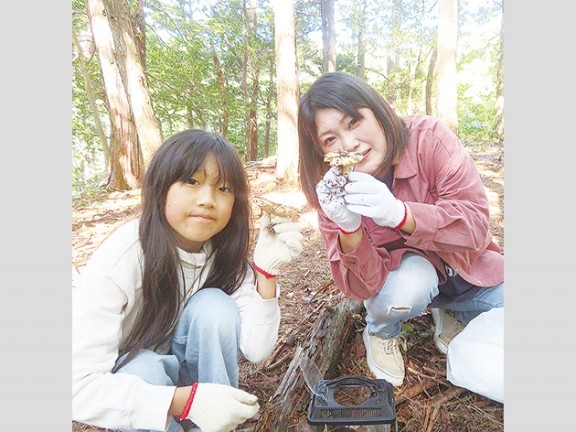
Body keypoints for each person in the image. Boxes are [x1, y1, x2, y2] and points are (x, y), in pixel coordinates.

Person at [72, 129, 304, 432]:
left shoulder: (221, 254)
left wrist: (266, 273)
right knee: (144, 368)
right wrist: (186, 401)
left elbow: (257, 349)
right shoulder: (122, 258)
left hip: (192, 377)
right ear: (160, 187)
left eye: (223, 188)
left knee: (213, 306)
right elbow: (77, 388)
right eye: (192, 181)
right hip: (135, 386)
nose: (207, 200)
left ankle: (217, 425)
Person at [297, 71, 503, 387]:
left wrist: (399, 214)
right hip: (405, 281)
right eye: (330, 139)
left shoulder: (429, 138)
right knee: (407, 290)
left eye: (353, 122)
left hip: (467, 269)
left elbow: (474, 226)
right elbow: (359, 288)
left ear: (377, 110)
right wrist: (349, 229)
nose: (350, 144)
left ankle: (449, 310)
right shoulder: (332, 189)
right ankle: (382, 331)